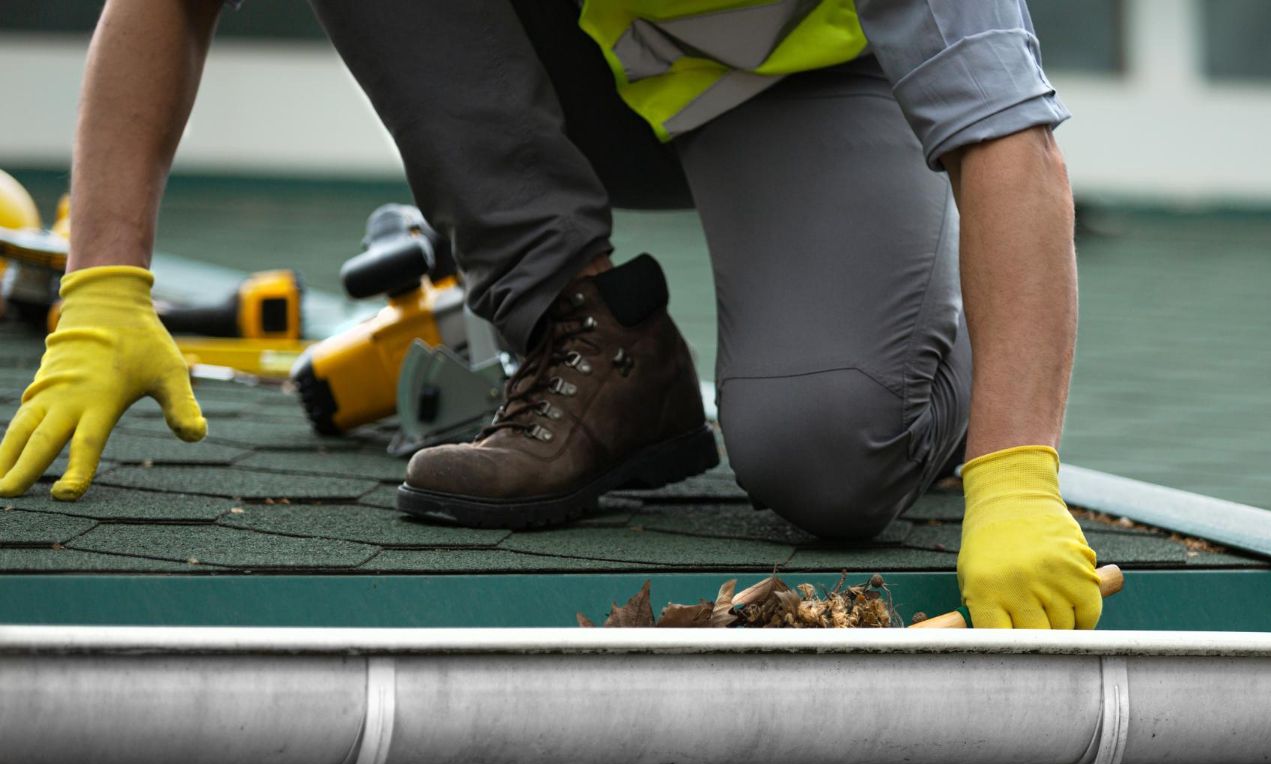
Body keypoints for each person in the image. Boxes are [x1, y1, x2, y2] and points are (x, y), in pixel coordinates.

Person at [0, 0, 1101, 630]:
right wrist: (104, 284)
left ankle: (934, 372)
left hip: (797, 89)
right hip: (570, 53)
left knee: (829, 461)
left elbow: (1012, 146)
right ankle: (585, 328)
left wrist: (1013, 470)